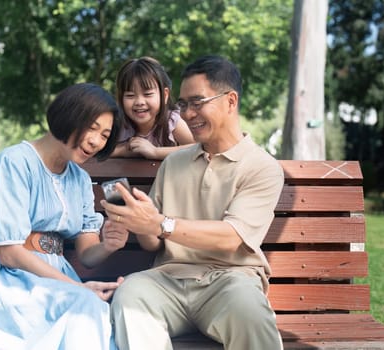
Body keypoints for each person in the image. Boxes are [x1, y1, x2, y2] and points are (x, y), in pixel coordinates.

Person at [102, 55, 285, 350]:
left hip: (230, 281)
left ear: (230, 101)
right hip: (167, 280)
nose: (188, 114)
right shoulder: (174, 162)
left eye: (197, 102)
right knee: (131, 294)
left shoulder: (262, 167)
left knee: (248, 307)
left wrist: (160, 223)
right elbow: (153, 243)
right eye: (184, 104)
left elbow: (231, 238)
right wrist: (139, 220)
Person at [0, 83, 129, 350]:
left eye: (105, 135)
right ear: (67, 116)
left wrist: (108, 245)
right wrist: (78, 289)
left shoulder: (80, 180)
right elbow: (9, 253)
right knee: (85, 308)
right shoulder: (14, 162)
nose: (96, 141)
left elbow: (87, 254)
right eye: (92, 127)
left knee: (92, 310)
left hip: (49, 279)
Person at [111, 56, 194, 159]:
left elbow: (200, 147)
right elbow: (95, 149)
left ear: (164, 95)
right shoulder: (118, 124)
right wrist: (122, 150)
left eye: (147, 94)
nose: (139, 102)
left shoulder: (171, 122)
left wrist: (155, 152)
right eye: (130, 96)